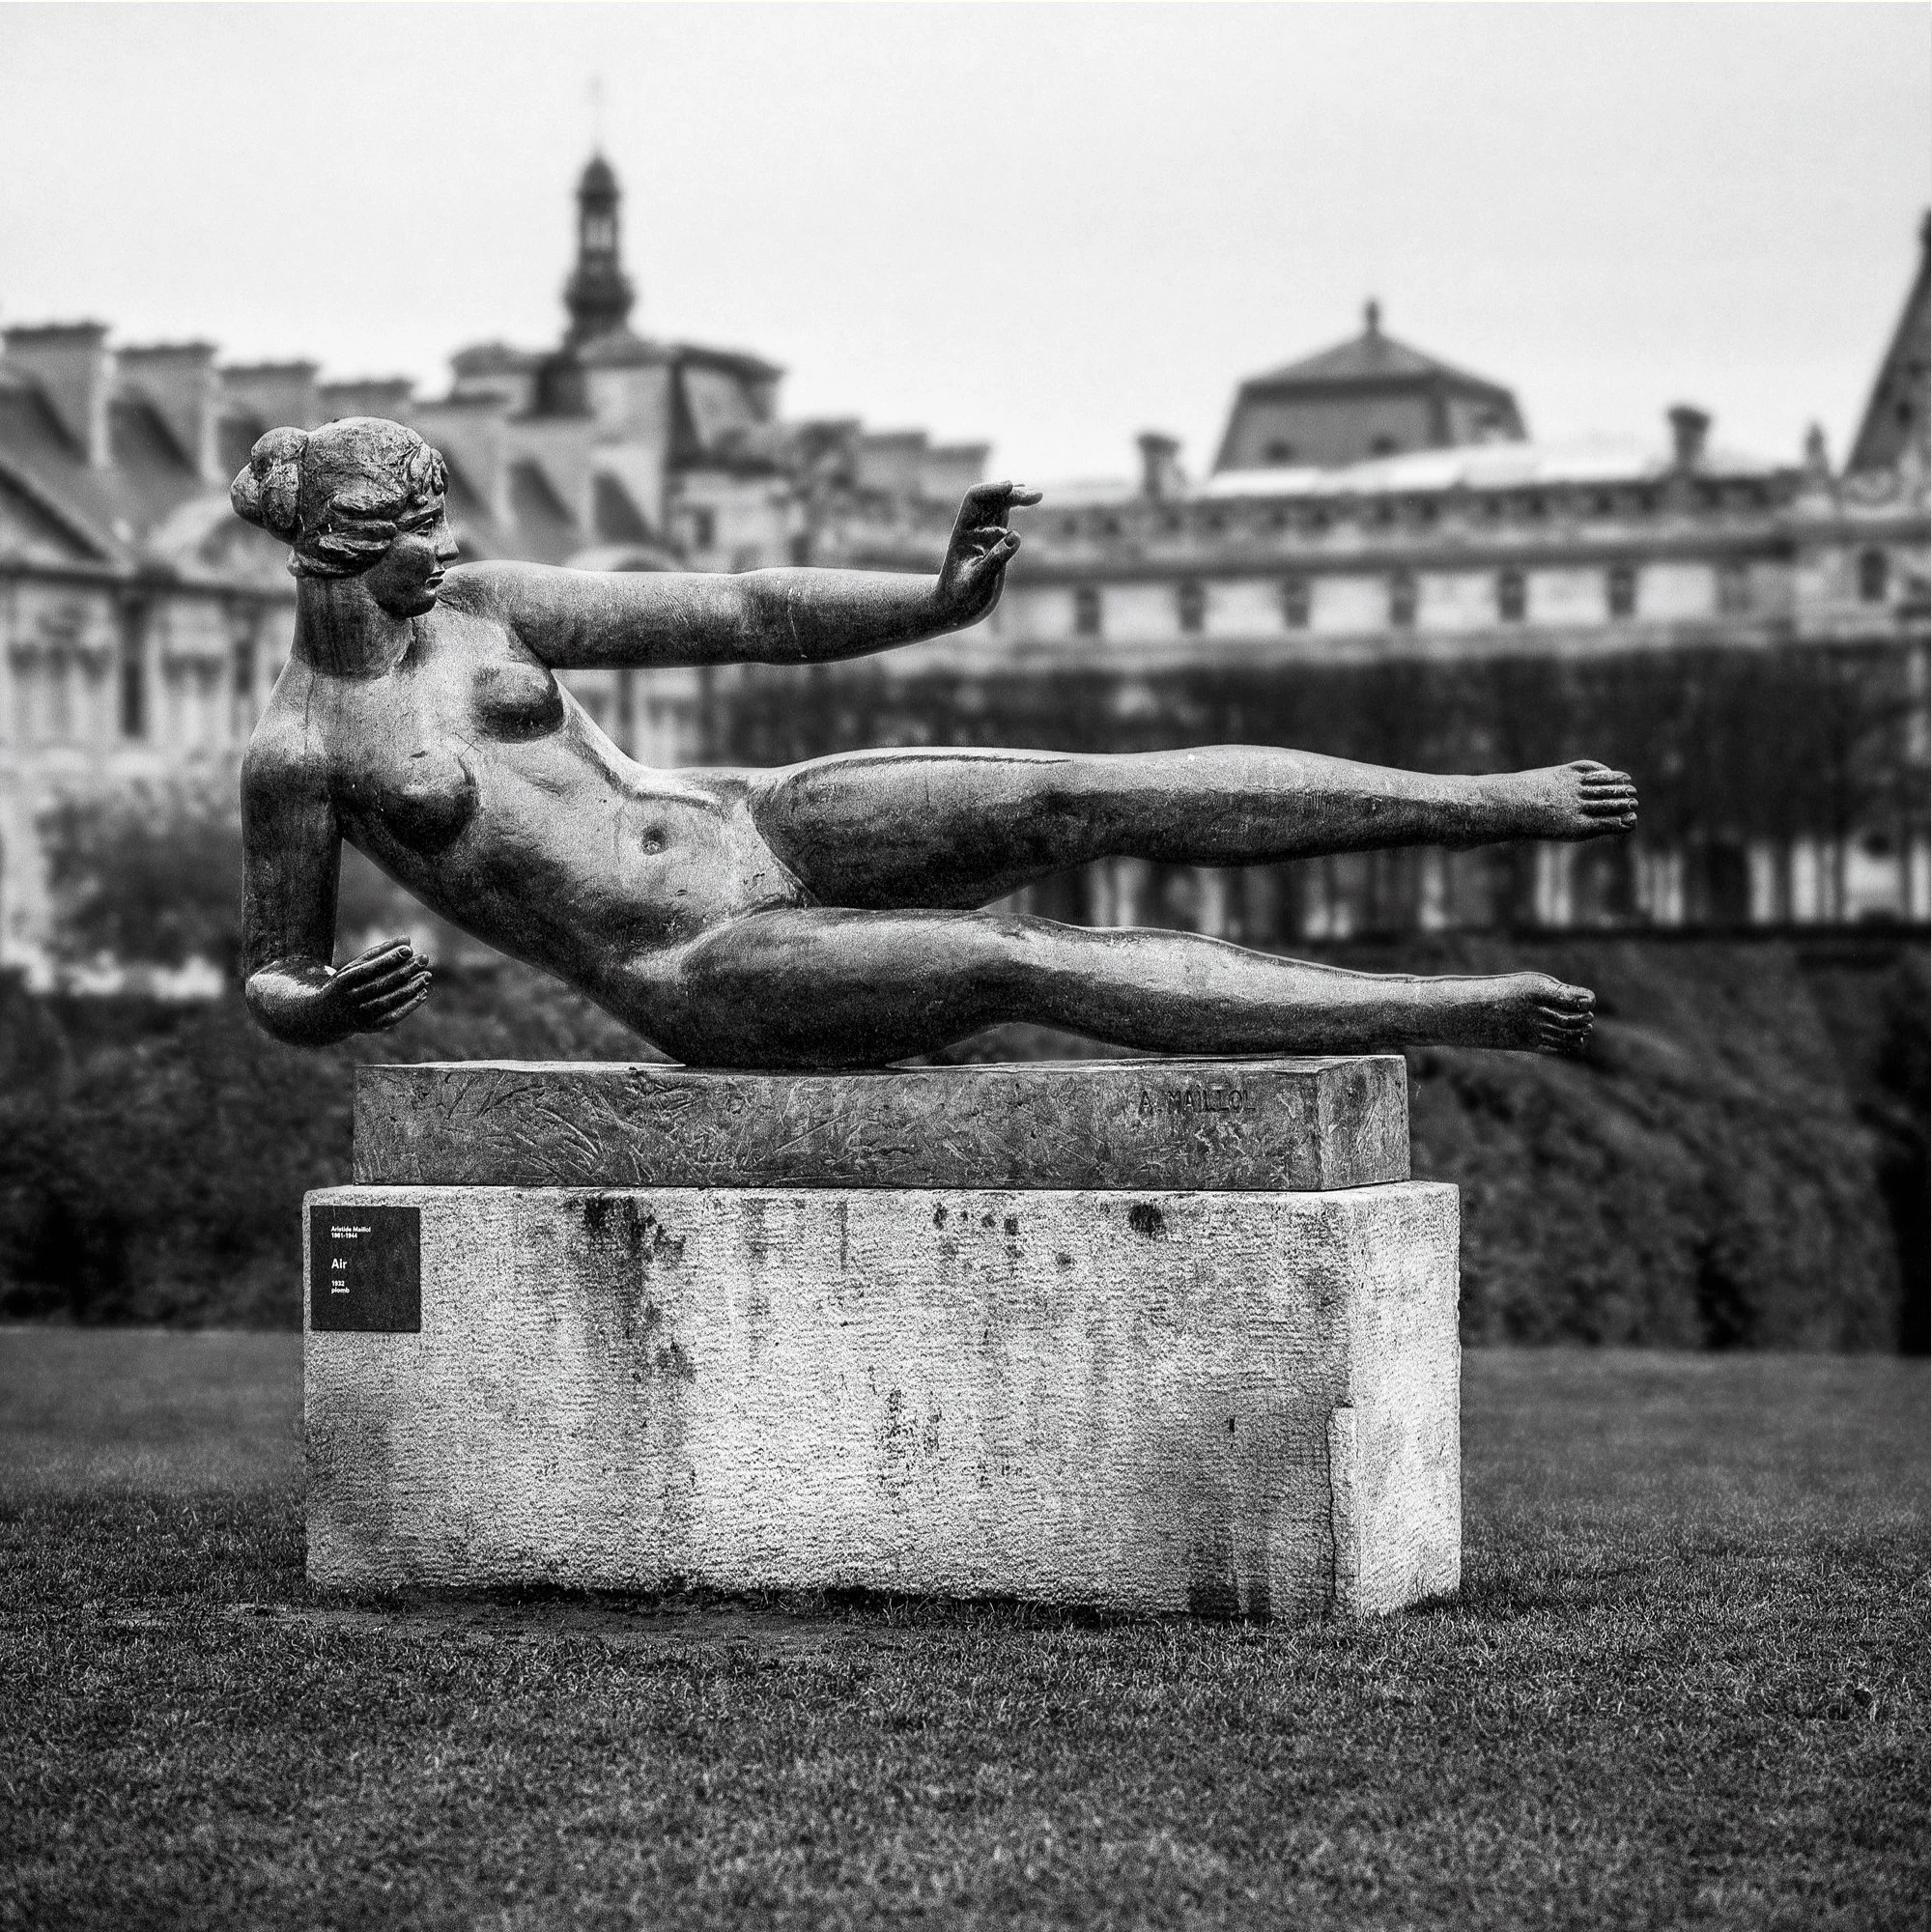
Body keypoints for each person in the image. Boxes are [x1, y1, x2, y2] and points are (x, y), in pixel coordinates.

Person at [233, 417, 1636, 1068]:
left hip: (757, 821)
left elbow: (746, 610)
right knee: (1012, 961)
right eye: (412, 532)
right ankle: (1459, 1010)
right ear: (333, 550)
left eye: (439, 522)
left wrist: (935, 600)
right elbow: (273, 970)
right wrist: (326, 1001)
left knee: (1070, 791)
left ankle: (1487, 801)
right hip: (695, 963)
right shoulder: (303, 751)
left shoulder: (482, 608)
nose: (443, 547)